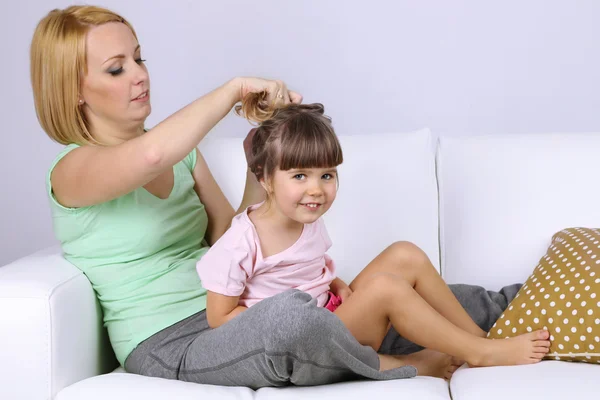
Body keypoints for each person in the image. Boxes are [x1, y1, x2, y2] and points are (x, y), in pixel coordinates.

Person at [31, 5, 534, 389]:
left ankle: (525, 315)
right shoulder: (73, 169)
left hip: (246, 308)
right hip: (173, 341)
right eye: (116, 69)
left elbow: (234, 234)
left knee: (409, 287)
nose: (140, 74)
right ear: (75, 90)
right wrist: (232, 89)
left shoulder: (185, 157)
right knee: (293, 314)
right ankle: (404, 366)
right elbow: (148, 157)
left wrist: (261, 161)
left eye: (139, 58)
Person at [197, 99, 551, 378]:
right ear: (266, 178)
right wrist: (273, 320)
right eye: (300, 175)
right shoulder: (240, 242)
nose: (316, 190)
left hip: (331, 315)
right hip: (303, 339)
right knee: (385, 288)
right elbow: (219, 318)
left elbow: (307, 268)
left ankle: (477, 337)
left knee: (404, 254)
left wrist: (334, 284)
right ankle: (482, 355)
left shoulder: (306, 219)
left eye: (327, 175)